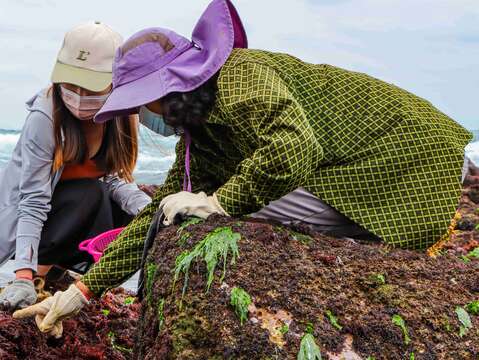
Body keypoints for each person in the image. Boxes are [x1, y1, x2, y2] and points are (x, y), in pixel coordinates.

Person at [14, 0, 472, 335]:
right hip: (354, 165)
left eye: (143, 99)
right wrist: (83, 293)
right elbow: (157, 218)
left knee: (212, 212)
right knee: (177, 212)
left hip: (409, 155)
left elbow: (293, 149)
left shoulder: (241, 78)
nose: (144, 111)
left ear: (172, 85)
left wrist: (218, 201)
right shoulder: (203, 132)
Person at [0, 22, 151, 313]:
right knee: (89, 194)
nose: (79, 96)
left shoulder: (119, 115)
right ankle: (37, 279)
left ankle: (69, 277)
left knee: (121, 207)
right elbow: (32, 201)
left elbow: (117, 178)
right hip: (36, 220)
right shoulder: (45, 117)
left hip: (71, 221)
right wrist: (23, 276)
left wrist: (151, 210)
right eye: (71, 84)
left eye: (91, 86)